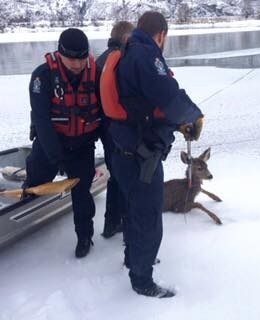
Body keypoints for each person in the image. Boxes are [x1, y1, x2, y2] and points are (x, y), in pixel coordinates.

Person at [100, 11, 204, 298]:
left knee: (135, 210)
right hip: (140, 157)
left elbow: (145, 106)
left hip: (125, 151)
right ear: (161, 35)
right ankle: (142, 280)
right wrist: (193, 117)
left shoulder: (130, 52)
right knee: (148, 218)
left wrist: (176, 121)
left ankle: (135, 258)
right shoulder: (147, 56)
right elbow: (169, 98)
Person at [24, 28, 101, 258]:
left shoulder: (96, 75)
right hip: (51, 142)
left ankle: (85, 236)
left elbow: (105, 116)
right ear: (59, 54)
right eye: (72, 59)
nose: (78, 64)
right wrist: (57, 159)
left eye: (82, 58)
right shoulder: (42, 77)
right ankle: (27, 203)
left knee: (81, 193)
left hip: (82, 145)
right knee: (36, 176)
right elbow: (42, 121)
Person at [96, 21, 134, 239]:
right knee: (125, 178)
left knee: (116, 176)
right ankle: (127, 230)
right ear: (127, 38)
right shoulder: (121, 59)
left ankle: (111, 223)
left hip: (104, 128)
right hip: (118, 129)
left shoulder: (101, 59)